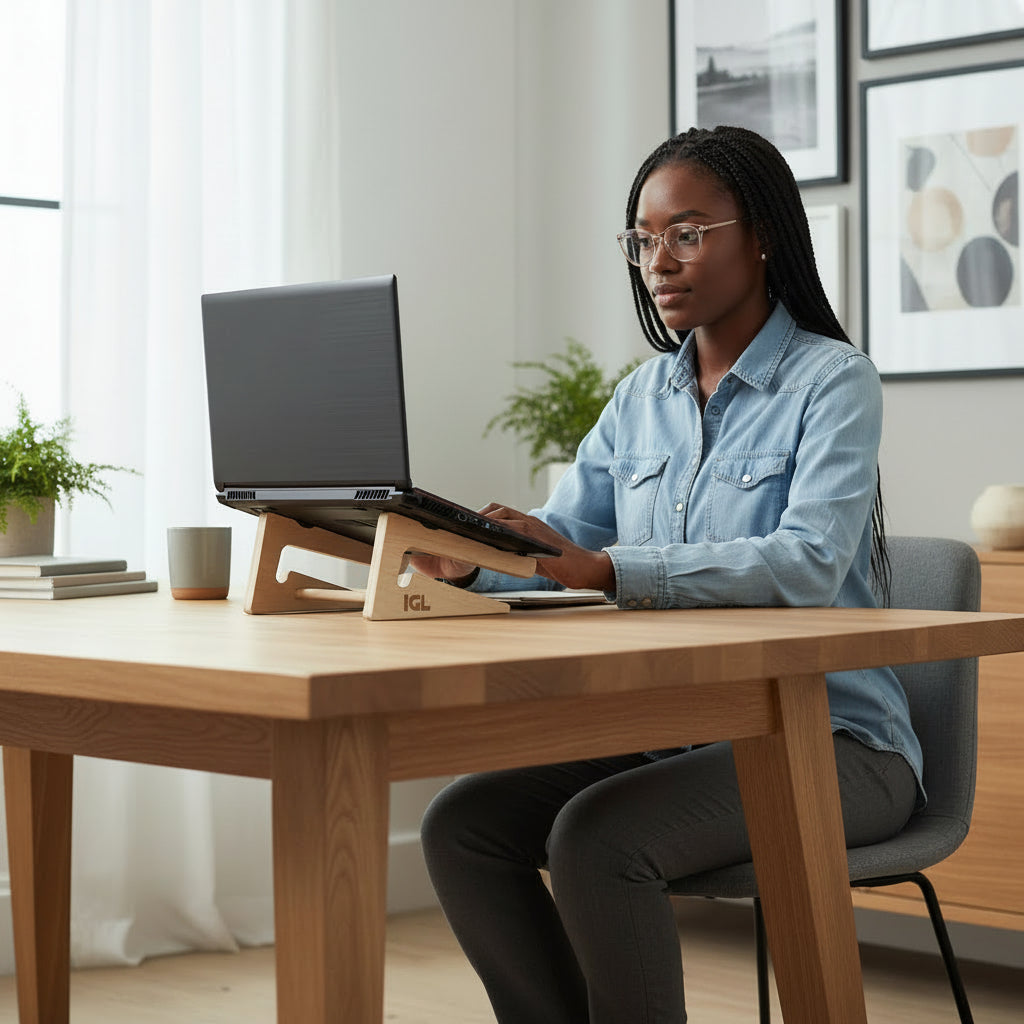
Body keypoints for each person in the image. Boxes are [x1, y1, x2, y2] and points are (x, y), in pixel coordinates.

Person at [414, 125, 920, 1024]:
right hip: (684, 731)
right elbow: (568, 538)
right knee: (463, 826)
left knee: (600, 839)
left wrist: (605, 568)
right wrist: (478, 561)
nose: (660, 260)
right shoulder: (638, 399)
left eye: (688, 233)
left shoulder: (833, 382)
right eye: (644, 240)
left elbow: (805, 563)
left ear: (759, 234)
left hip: (835, 744)